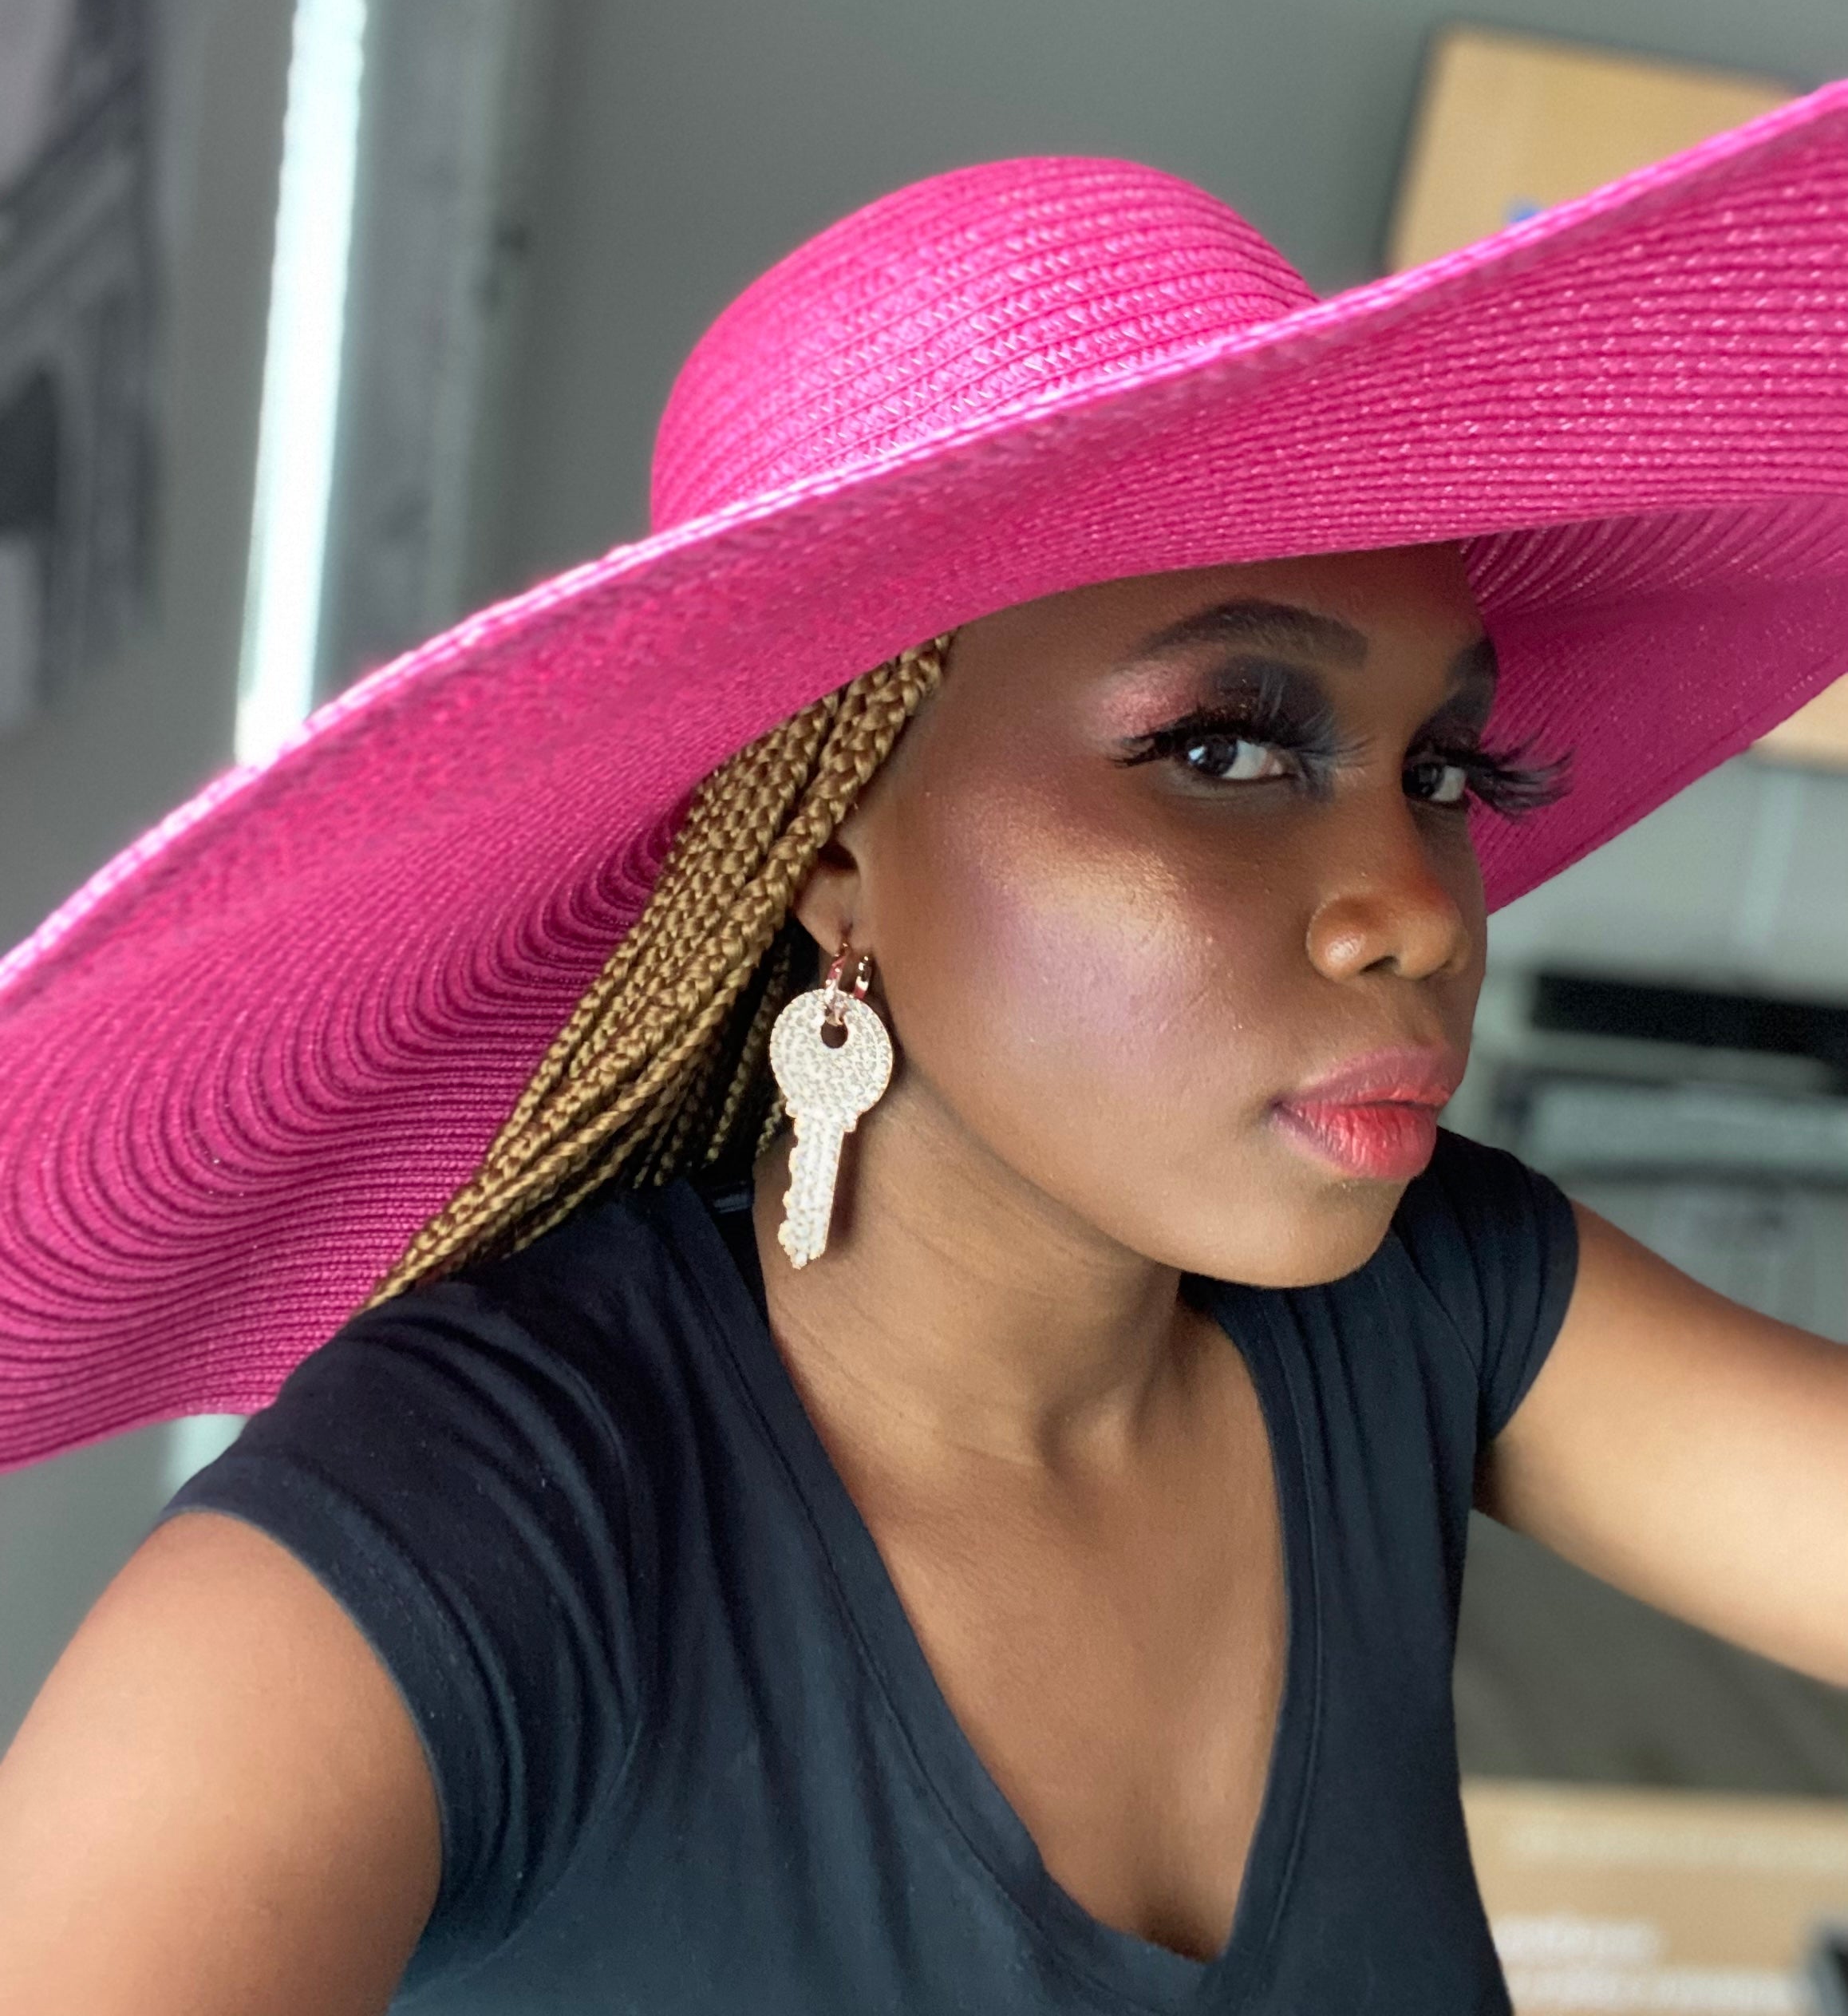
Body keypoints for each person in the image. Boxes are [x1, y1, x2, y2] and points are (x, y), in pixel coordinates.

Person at [1, 118, 1846, 2015]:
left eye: (1442, 769)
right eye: (1223, 748)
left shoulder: (1432, 1294)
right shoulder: (459, 1530)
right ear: (831, 854)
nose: (1419, 912)